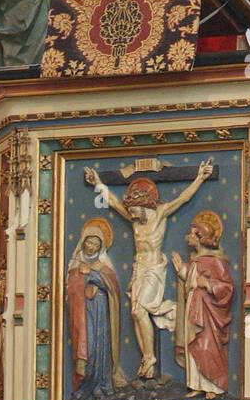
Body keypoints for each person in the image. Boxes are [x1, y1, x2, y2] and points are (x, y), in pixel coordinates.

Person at [83, 160, 214, 380]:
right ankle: (147, 357)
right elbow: (114, 202)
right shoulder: (134, 219)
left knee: (139, 310)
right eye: (131, 212)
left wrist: (200, 177)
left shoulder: (160, 213)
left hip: (154, 267)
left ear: (145, 204)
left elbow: (183, 198)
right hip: (139, 267)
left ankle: (151, 356)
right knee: (136, 312)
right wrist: (98, 183)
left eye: (135, 211)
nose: (133, 215)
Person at [171, 210, 235, 398]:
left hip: (208, 312)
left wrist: (207, 284)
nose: (187, 238)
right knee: (193, 345)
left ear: (200, 238)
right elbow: (191, 281)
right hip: (193, 306)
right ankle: (196, 384)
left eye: (191, 234)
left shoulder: (215, 262)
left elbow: (228, 287)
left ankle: (212, 385)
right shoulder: (194, 261)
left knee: (206, 345)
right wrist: (182, 271)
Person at [65, 219, 126, 400]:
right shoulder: (75, 262)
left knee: (100, 346)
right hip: (82, 311)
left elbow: (113, 288)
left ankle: (101, 385)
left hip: (100, 310)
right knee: (87, 347)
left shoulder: (103, 264)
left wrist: (92, 274)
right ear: (83, 242)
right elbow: (69, 287)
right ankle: (85, 387)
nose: (91, 247)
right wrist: (81, 276)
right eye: (89, 242)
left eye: (96, 244)